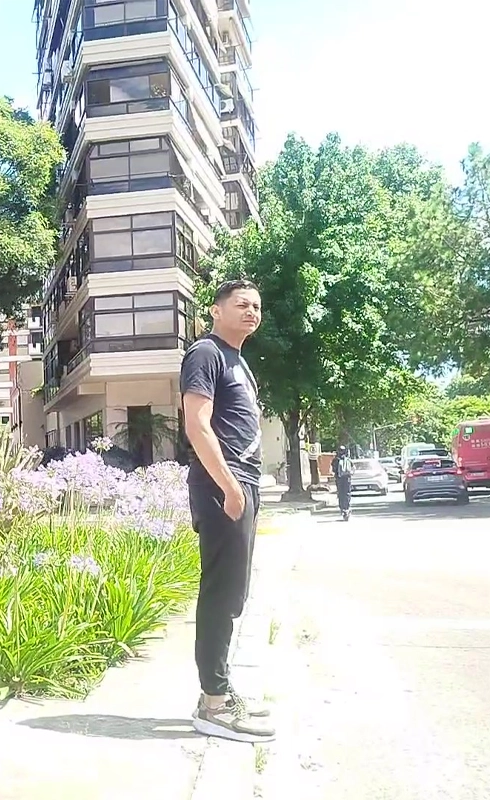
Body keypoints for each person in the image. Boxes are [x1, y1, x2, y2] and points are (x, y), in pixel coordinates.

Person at [180, 278, 275, 743]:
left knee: (234, 592)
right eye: (241, 304)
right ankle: (213, 703)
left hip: (243, 483)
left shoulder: (240, 362)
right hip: (223, 485)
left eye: (256, 306)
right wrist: (230, 487)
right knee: (221, 591)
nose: (251, 312)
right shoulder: (206, 353)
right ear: (216, 310)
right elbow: (197, 425)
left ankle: (218, 690)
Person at [332, 445, 353, 520]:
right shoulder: (348, 459)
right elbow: (353, 468)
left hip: (339, 479)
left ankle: (342, 508)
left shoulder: (335, 460)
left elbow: (333, 470)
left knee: (340, 493)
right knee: (347, 493)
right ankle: (347, 507)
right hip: (347, 479)